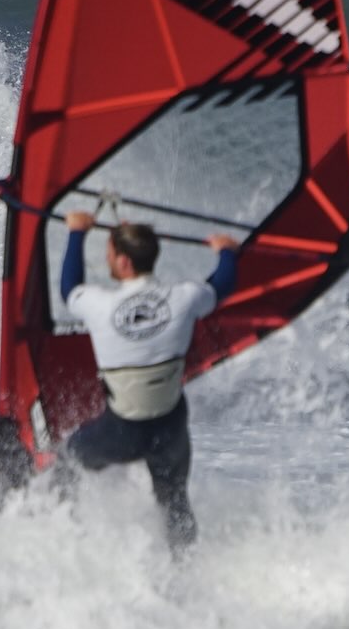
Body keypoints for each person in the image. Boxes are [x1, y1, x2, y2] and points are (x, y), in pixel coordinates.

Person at [56, 210, 240, 553]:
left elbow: (69, 289)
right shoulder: (185, 297)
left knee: (67, 459)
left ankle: (54, 532)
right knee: (175, 503)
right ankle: (186, 569)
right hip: (170, 428)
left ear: (124, 262)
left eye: (109, 253)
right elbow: (223, 283)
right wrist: (226, 249)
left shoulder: (100, 305)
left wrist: (77, 232)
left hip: (121, 432)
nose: (107, 258)